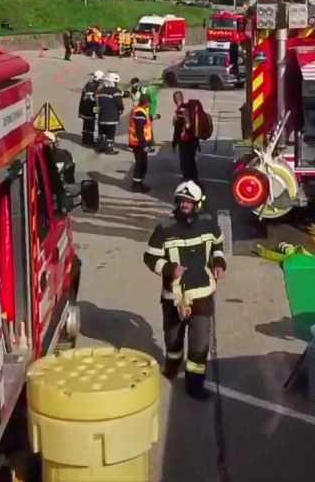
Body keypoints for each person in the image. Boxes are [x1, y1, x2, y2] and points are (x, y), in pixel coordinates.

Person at [142, 181, 226, 401]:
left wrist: (219, 263)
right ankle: (171, 366)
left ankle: (194, 386)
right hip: (174, 297)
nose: (184, 205)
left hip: (202, 294)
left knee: (199, 344)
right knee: (173, 340)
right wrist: (169, 269)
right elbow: (150, 257)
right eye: (181, 201)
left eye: (189, 202)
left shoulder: (209, 225)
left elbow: (218, 245)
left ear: (197, 204)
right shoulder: (165, 228)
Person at [172, 91, 202, 184]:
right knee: (191, 160)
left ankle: (187, 180)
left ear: (175, 100)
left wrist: (174, 143)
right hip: (193, 139)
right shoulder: (189, 108)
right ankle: (195, 179)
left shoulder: (180, 111)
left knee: (184, 161)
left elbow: (178, 130)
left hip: (185, 141)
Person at [128, 93, 155, 193]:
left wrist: (151, 118)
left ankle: (139, 183)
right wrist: (144, 145)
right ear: (146, 102)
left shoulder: (137, 110)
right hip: (139, 143)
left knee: (141, 163)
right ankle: (136, 185)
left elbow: (143, 122)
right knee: (141, 164)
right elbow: (140, 130)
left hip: (137, 142)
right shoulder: (140, 113)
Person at [96, 73, 124, 154]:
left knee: (102, 133)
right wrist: (121, 109)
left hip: (102, 116)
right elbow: (119, 103)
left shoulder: (100, 91)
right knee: (110, 134)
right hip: (112, 117)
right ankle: (109, 148)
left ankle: (101, 147)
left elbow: (97, 103)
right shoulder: (116, 92)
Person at [78, 71, 103, 147]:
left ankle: (85, 139)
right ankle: (89, 141)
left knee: (86, 124)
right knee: (90, 125)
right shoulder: (95, 86)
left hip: (84, 108)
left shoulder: (89, 84)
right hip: (90, 108)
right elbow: (94, 98)